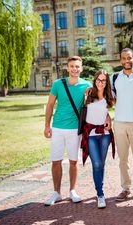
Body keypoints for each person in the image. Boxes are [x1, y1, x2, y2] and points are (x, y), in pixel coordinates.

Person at [44, 56, 91, 206]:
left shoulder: (87, 85)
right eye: (72, 66)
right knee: (56, 160)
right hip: (57, 128)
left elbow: (92, 105)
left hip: (74, 130)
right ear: (67, 68)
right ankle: (56, 193)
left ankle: (72, 191)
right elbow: (50, 104)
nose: (74, 69)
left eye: (77, 66)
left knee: (73, 161)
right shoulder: (58, 84)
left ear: (81, 68)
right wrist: (47, 125)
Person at [111, 48, 133, 202]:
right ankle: (126, 188)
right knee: (123, 159)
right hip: (119, 123)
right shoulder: (114, 78)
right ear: (120, 60)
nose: (127, 60)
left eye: (130, 57)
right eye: (124, 58)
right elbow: (111, 100)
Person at [80, 70, 115, 209]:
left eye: (104, 80)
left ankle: (99, 187)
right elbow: (83, 110)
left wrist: (109, 118)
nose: (101, 83)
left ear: (107, 82)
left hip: (105, 134)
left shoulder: (109, 96)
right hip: (91, 134)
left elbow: (107, 111)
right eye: (98, 80)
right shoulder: (88, 93)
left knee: (101, 163)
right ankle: (100, 194)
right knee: (96, 163)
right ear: (95, 80)